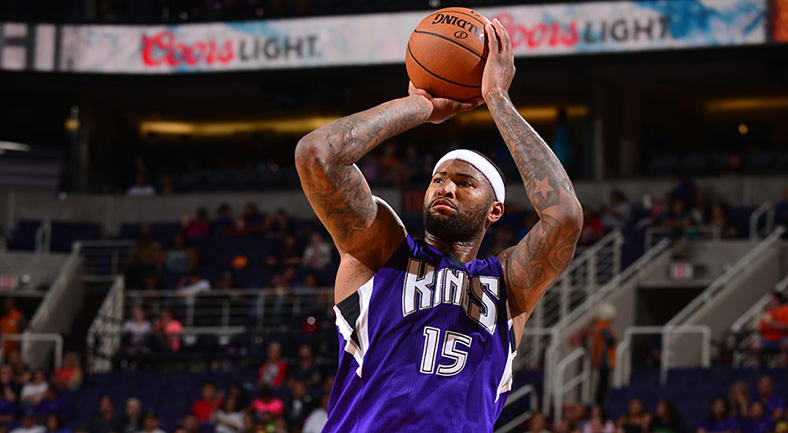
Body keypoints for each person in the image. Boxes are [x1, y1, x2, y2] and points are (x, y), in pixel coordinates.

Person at [294, 18, 582, 433]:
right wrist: (421, 107)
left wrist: (497, 98)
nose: (446, 187)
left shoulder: (507, 286)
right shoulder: (383, 254)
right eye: (438, 179)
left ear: (495, 210)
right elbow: (317, 155)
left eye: (464, 183)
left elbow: (566, 217)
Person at [752, 292, 788, 367]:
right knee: (755, 346)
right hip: (768, 339)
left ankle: (785, 370)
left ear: (777, 299)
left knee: (786, 345)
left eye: (772, 299)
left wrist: (773, 323)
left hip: (782, 338)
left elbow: (786, 326)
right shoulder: (768, 313)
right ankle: (761, 368)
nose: (769, 301)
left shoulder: (785, 310)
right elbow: (761, 329)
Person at [592, 303, 616, 406]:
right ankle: (600, 402)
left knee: (603, 382)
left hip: (601, 358)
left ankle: (600, 401)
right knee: (603, 383)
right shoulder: (604, 326)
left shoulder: (598, 325)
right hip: (604, 359)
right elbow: (610, 340)